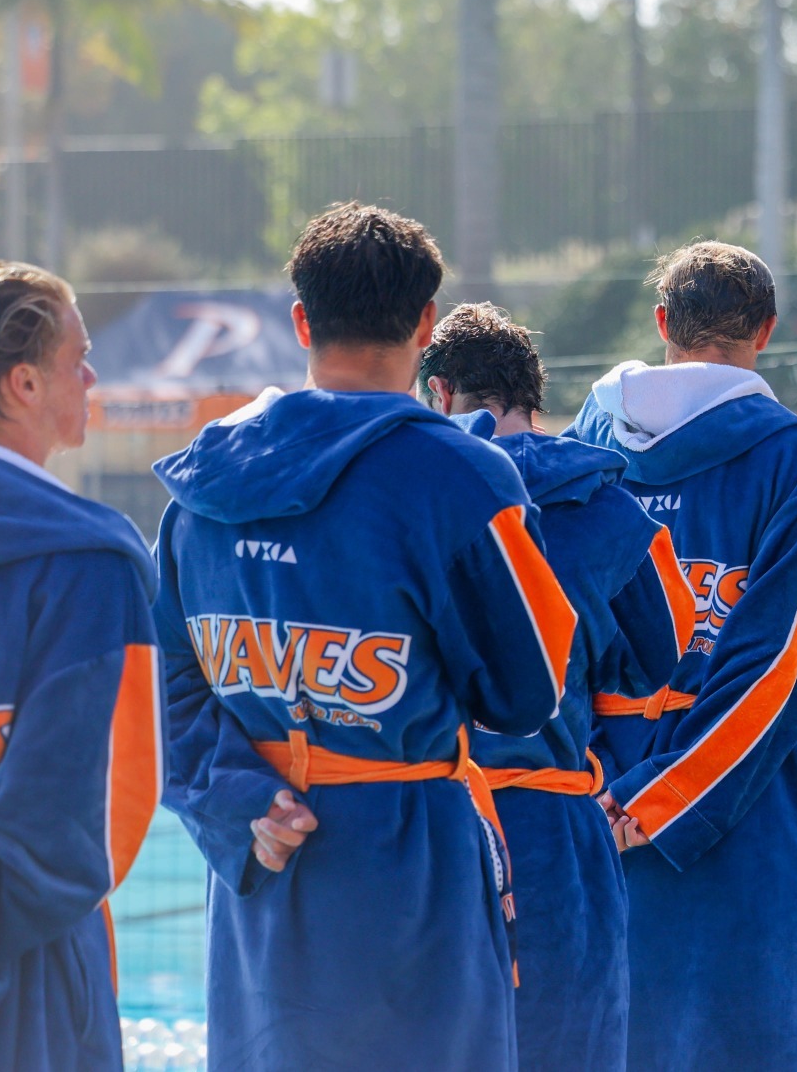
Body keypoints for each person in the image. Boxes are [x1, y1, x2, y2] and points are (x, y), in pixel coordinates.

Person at [154, 206, 577, 1071]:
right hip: (411, 869)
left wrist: (242, 799)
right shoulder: (460, 475)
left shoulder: (202, 480)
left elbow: (169, 692)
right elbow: (528, 690)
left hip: (263, 869)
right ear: (426, 324)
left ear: (302, 321)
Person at [564, 241, 797, 1071]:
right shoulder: (795, 460)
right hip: (738, 819)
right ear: (766, 330)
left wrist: (595, 784)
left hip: (588, 794)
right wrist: (658, 800)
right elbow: (778, 668)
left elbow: (552, 642)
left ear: (662, 324)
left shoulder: (583, 445)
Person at [421, 303, 687, 1071]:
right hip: (557, 818)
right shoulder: (608, 504)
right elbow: (659, 656)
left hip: (431, 814)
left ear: (442, 392)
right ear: (535, 392)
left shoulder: (420, 493)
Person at [0, 259, 164, 1070]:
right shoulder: (91, 559)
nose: (91, 373)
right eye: (76, 356)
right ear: (23, 385)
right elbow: (101, 811)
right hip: (22, 969)